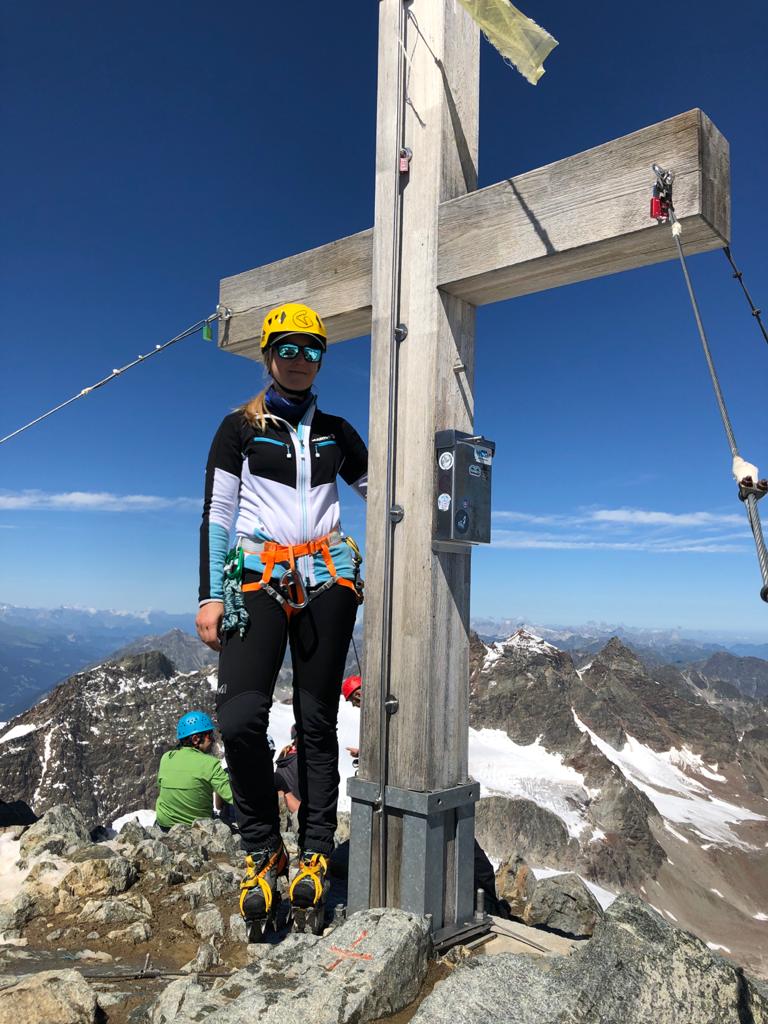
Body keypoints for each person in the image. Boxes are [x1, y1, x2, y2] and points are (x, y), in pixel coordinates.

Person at [195, 302, 367, 939]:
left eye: (311, 350)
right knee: (241, 717)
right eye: (288, 349)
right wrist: (211, 593)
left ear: (321, 358)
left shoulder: (338, 434)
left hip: (327, 581)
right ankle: (263, 850)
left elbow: (385, 488)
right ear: (268, 355)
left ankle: (315, 850)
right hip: (255, 583)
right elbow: (217, 514)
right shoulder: (238, 429)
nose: (299, 360)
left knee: (317, 719)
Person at [339, 675, 509, 918]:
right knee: (470, 862)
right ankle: (487, 909)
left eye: (356, 698)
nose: (357, 704)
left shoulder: (389, 714)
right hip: (429, 797)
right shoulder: (386, 714)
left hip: (428, 794)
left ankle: (487, 908)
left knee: (467, 862)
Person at [155, 711, 234, 829]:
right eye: (209, 735)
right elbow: (234, 797)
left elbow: (161, 789)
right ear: (196, 739)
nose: (212, 739)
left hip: (163, 827)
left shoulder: (166, 758)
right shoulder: (210, 764)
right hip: (197, 830)